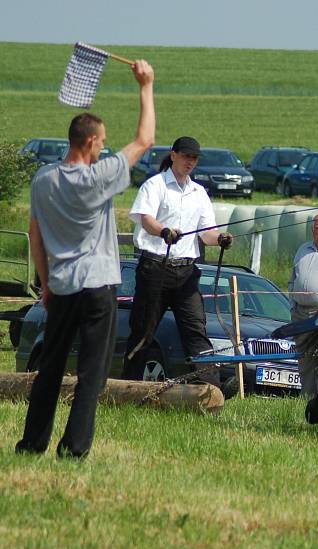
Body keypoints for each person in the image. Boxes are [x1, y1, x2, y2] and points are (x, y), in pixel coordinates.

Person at [15, 60, 156, 459]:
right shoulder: (99, 177)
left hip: (59, 285)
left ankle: (32, 443)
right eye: (102, 141)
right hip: (96, 284)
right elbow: (145, 139)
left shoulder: (43, 180)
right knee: (91, 374)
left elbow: (35, 235)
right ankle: (74, 449)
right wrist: (145, 85)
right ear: (92, 142)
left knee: (50, 369)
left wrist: (44, 285)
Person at [122, 136, 233, 385]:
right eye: (186, 156)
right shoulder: (155, 185)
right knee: (143, 332)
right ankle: (128, 386)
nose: (190, 162)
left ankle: (210, 388)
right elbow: (146, 219)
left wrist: (221, 238)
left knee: (196, 331)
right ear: (173, 155)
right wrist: (163, 231)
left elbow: (207, 232)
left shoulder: (199, 193)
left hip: (186, 272)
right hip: (155, 268)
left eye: (194, 158)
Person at [288, 213, 318, 398]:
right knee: (305, 358)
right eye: (317, 227)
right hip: (300, 314)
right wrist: (293, 304)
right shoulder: (303, 249)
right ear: (312, 230)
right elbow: (292, 279)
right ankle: (306, 397)